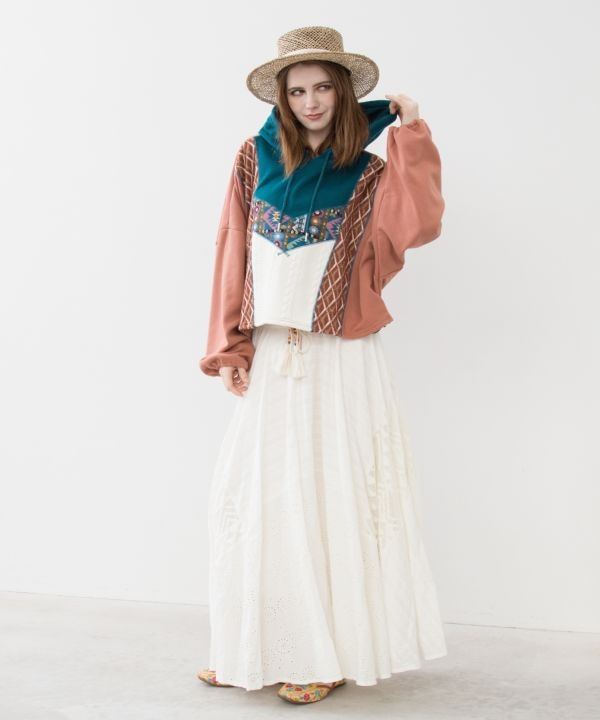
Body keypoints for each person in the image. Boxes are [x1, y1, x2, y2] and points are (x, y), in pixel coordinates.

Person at [196, 25, 448, 704]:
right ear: (281, 98)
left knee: (328, 500)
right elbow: (231, 252)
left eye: (323, 88)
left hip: (341, 358)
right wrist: (230, 346)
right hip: (273, 357)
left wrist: (411, 131)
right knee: (258, 500)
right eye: (297, 90)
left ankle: (324, 655)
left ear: (343, 94)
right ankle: (252, 647)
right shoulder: (253, 162)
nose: (310, 101)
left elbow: (419, 223)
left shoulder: (368, 173)